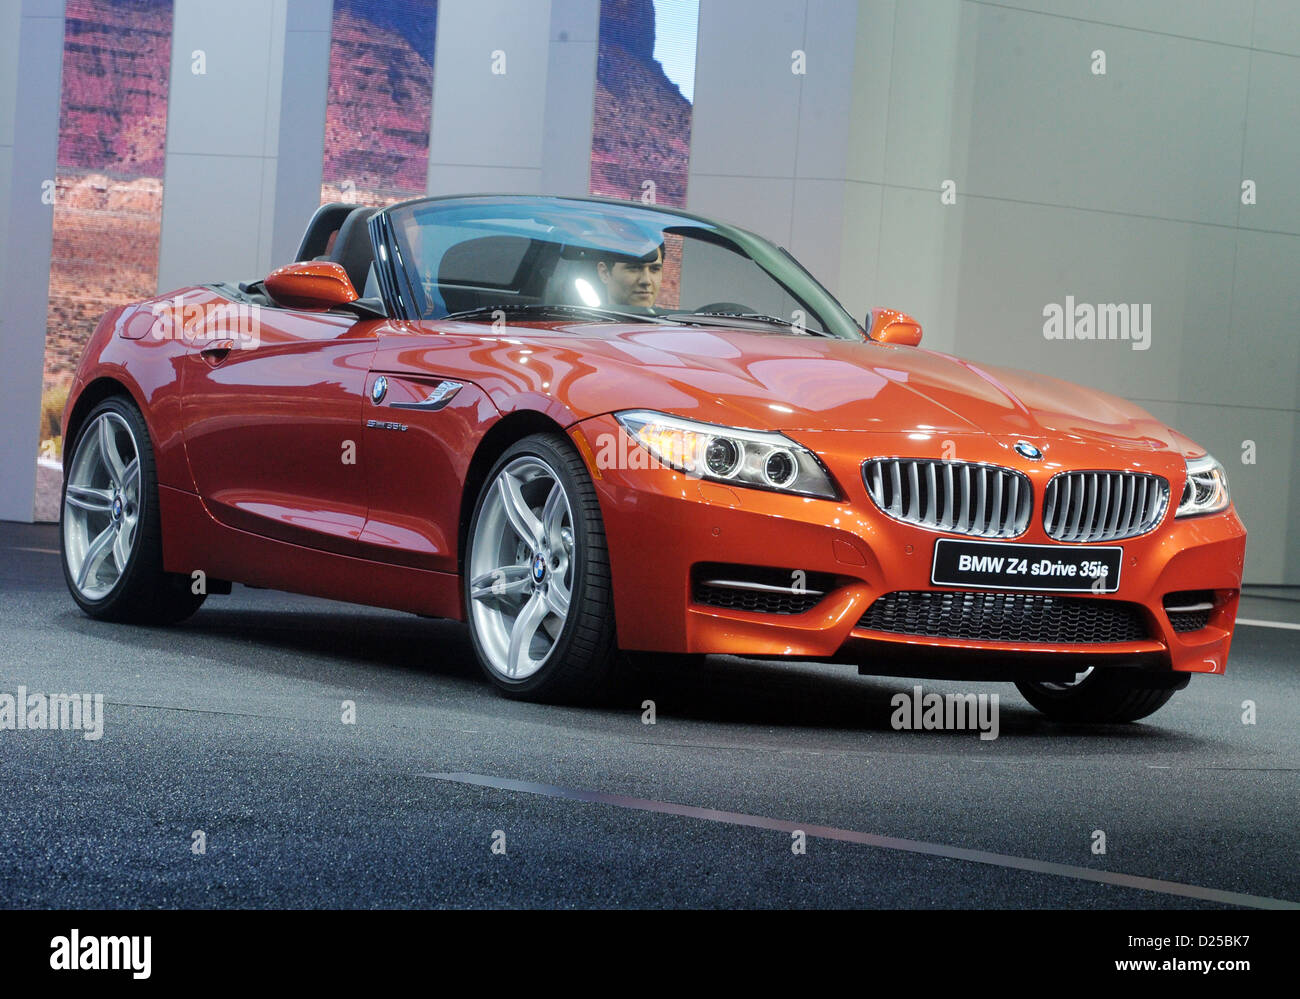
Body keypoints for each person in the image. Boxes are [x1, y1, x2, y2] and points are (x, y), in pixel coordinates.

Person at [594, 242, 665, 308]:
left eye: (655, 269)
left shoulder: (671, 320)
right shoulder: (586, 320)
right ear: (605, 273)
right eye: (634, 268)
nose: (646, 280)